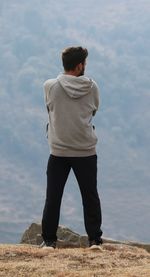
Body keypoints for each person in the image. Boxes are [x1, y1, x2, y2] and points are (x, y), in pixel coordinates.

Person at [41, 46, 103, 249]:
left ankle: (49, 241)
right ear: (79, 66)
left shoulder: (50, 86)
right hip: (85, 150)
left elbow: (49, 107)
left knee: (53, 196)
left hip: (58, 150)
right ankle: (94, 240)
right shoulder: (92, 87)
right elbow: (94, 109)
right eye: (84, 63)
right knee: (90, 196)